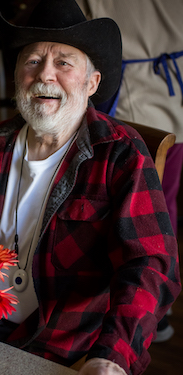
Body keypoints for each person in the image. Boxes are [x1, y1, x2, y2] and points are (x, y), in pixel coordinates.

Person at [0, 1, 181, 374]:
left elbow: (150, 266)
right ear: (16, 76)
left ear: (92, 83)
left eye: (63, 62)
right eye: (31, 61)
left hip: (66, 345)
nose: (45, 75)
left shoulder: (120, 155)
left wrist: (112, 356)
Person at [78, 0, 183, 342]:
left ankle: (138, 315)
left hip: (129, 106)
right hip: (172, 99)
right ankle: (153, 313)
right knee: (163, 212)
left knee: (126, 217)